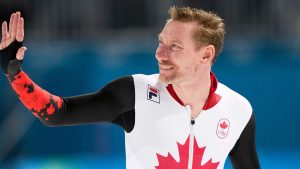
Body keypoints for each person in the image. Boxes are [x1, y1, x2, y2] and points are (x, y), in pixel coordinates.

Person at [0, 6, 260, 169]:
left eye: (175, 47)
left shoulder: (238, 110)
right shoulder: (135, 93)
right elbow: (57, 113)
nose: (160, 54)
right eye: (161, 42)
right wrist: (15, 74)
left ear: (206, 55)